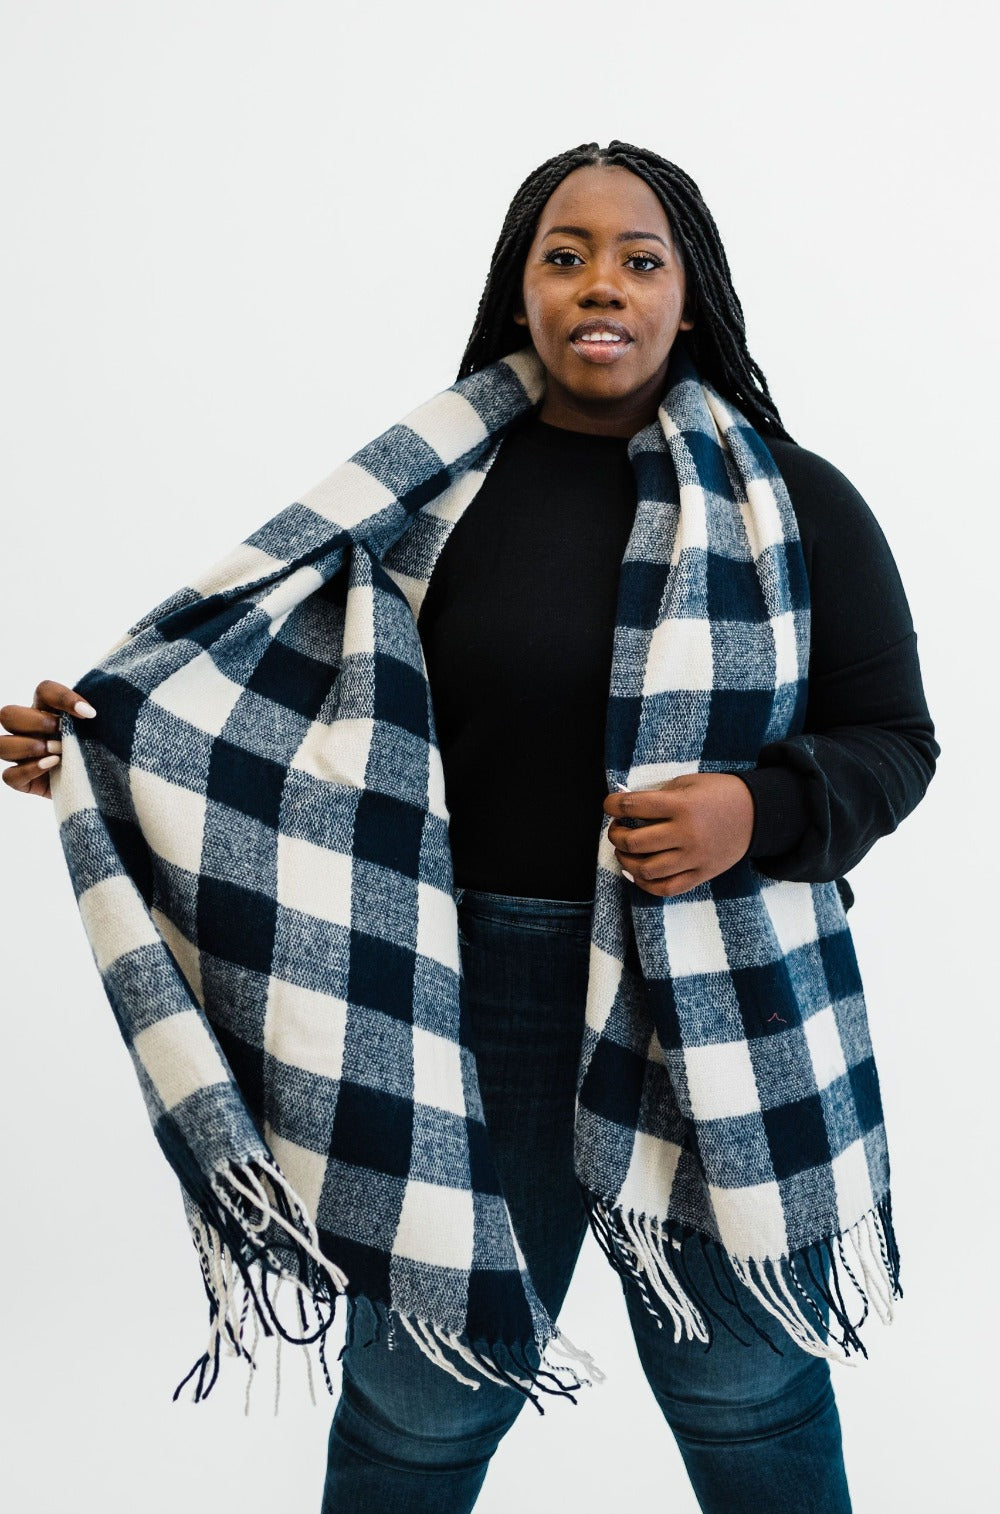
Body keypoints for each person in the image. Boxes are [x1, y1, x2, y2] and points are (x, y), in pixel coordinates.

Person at [1, 141, 937, 1514]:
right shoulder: (417, 500)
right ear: (521, 291)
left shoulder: (796, 505)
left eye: (640, 259)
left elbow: (895, 742)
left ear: (691, 298)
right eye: (565, 256)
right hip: (461, 991)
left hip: (724, 989)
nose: (601, 285)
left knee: (749, 1390)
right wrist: (107, 749)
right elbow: (285, 711)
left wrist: (755, 809)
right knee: (422, 1402)